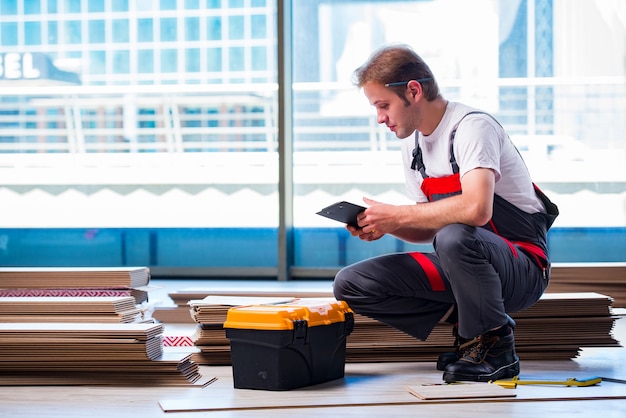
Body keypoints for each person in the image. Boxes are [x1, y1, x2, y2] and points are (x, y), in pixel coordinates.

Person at [332, 44, 559, 383]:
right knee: (351, 283)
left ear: (413, 91)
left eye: (383, 105)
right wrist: (385, 226)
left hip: (522, 266)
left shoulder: (471, 128)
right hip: (463, 261)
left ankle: (497, 348)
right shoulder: (413, 146)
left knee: (454, 236)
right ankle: (471, 330)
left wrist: (398, 214)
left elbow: (476, 210)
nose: (380, 117)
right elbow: (426, 228)